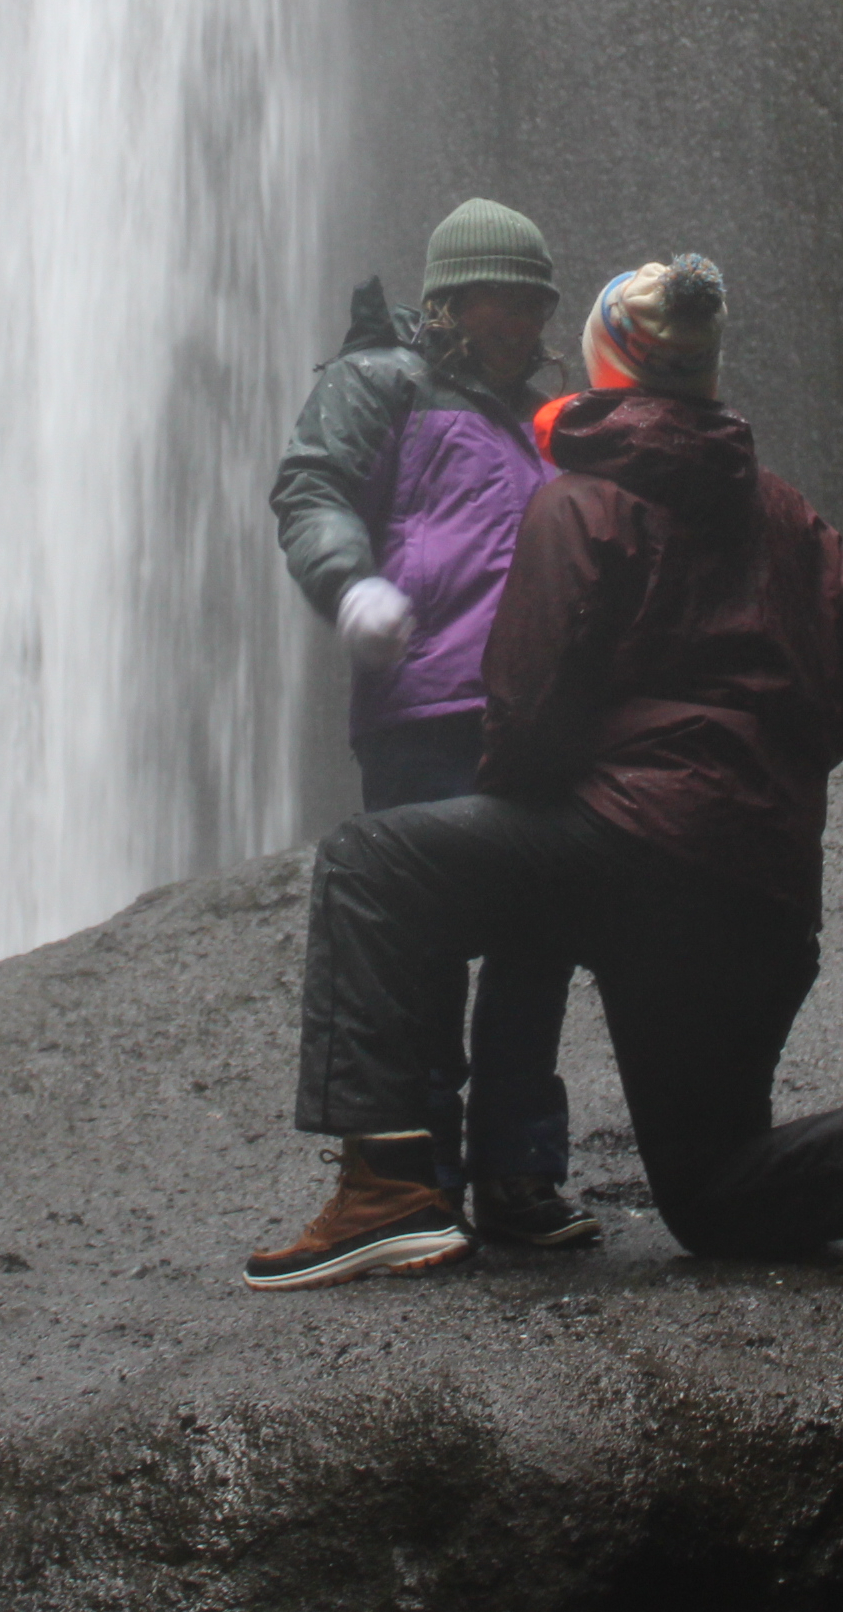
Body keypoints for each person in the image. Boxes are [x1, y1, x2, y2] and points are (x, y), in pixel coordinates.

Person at [246, 254, 843, 1299]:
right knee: (708, 1191)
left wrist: (552, 804)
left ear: (609, 367)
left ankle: (387, 1190)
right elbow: (842, 708)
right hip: (764, 902)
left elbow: (525, 709)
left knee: (367, 865)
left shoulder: (581, 502)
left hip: (631, 858)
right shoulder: (800, 521)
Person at [269, 196, 598, 1256]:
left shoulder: (538, 420)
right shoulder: (378, 381)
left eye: (538, 306)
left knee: (536, 944)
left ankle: (517, 1172)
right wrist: (348, 583)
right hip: (425, 708)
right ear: (452, 298)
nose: (527, 325)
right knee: (419, 951)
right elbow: (311, 485)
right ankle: (419, 1179)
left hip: (535, 715)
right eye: (510, 302)